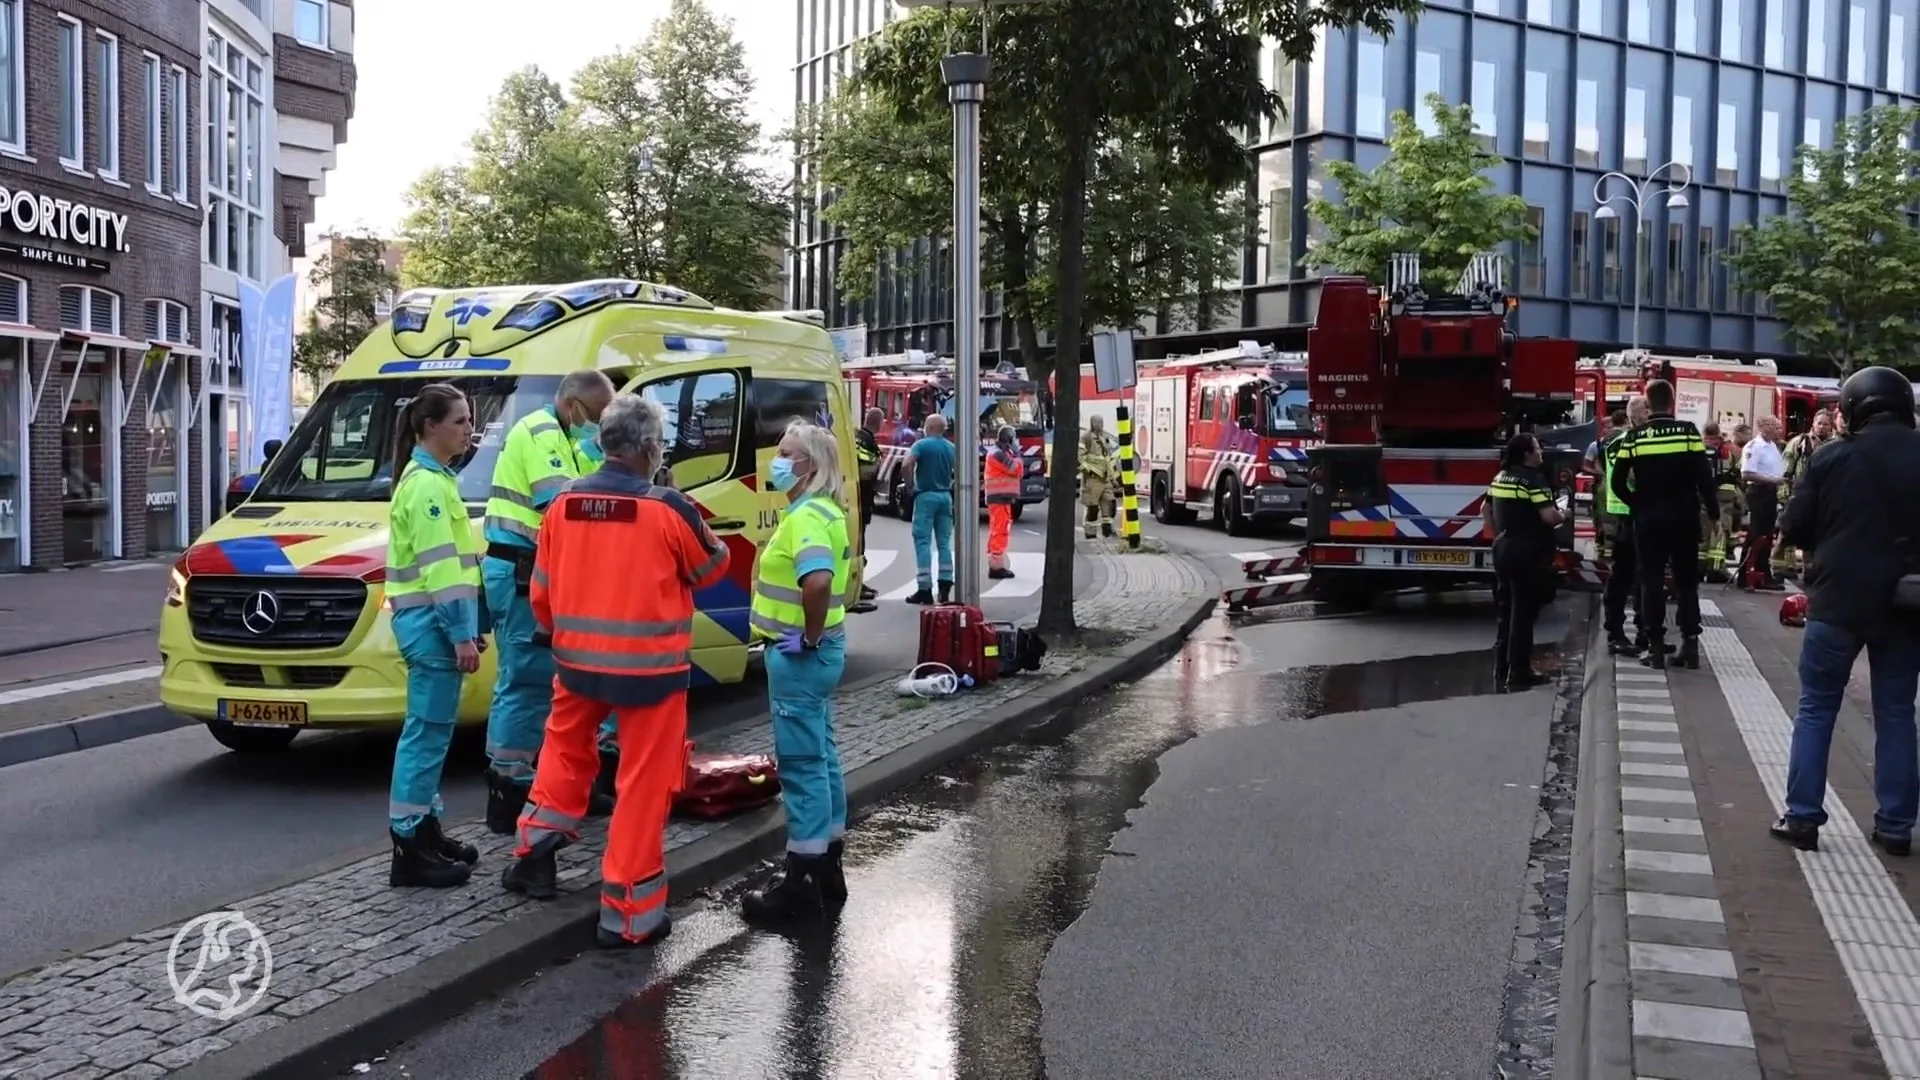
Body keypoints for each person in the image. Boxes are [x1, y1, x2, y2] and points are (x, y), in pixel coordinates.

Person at [501, 393, 730, 947]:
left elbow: (542, 593)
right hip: (650, 675)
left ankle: (534, 855)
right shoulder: (667, 507)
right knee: (642, 785)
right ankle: (629, 914)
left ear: (601, 443)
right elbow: (713, 566)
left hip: (576, 664)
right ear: (651, 448)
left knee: (562, 755)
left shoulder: (560, 505)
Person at [1769, 367, 1920, 854]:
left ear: (1855, 409)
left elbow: (1793, 524)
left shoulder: (1832, 458)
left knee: (1816, 707)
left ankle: (1803, 818)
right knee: (1897, 713)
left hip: (1837, 601)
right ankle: (1896, 826)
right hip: (1905, 604)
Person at [479, 370, 619, 834]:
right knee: (524, 681)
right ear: (575, 404)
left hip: (537, 570)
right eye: (596, 418)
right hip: (520, 569)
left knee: (549, 682)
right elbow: (565, 504)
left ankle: (538, 781)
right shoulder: (542, 432)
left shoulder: (565, 435)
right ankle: (509, 787)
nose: (596, 428)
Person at [741, 420, 854, 921]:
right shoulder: (826, 511)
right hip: (821, 651)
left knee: (802, 766)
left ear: (809, 466)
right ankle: (828, 864)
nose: (777, 461)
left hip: (800, 656)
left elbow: (819, 582)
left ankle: (801, 883)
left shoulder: (806, 517)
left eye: (786, 453)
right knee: (822, 755)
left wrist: (805, 637)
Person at [384, 383, 486, 889]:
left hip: (432, 627)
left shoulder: (435, 479)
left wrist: (469, 629)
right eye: (461, 421)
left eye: (469, 420)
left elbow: (454, 571)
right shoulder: (428, 487)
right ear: (430, 428)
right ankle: (409, 843)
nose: (470, 430)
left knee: (433, 733)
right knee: (426, 734)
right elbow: (440, 573)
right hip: (430, 628)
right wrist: (461, 635)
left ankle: (424, 827)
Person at [1611, 379, 1718, 670]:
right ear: (1672, 402)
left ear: (1648, 403)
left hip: (1649, 521)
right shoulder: (1688, 432)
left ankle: (1655, 649)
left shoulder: (1634, 438)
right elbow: (1705, 478)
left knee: (1651, 582)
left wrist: (1637, 503)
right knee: (1686, 583)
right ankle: (1690, 646)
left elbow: (1616, 482)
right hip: (1684, 517)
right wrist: (1714, 514)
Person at [1484, 433, 1563, 690]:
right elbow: (1549, 517)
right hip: (1527, 552)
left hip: (1503, 548)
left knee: (1506, 611)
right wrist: (1566, 513)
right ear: (1527, 454)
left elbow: (1484, 510)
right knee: (1524, 613)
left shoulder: (1500, 476)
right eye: (1538, 449)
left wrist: (1499, 533)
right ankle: (1520, 672)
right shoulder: (1533, 480)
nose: (1541, 453)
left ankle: (1501, 668)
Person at [1601, 400, 1647, 655]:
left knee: (1632, 576)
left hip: (1623, 513)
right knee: (1627, 577)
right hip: (1628, 514)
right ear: (1636, 415)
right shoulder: (1629, 441)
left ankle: (1635, 631)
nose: (1649, 416)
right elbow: (1632, 477)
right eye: (1646, 411)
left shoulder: (1617, 440)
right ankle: (1619, 633)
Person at [901, 413, 956, 605]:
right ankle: (945, 586)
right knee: (944, 543)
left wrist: (909, 486)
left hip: (925, 496)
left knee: (923, 541)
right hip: (945, 497)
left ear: (930, 428)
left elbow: (907, 464)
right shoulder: (951, 448)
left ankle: (924, 588)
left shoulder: (921, 445)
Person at [1777, 409, 1837, 579]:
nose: (1822, 427)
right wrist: (1784, 496)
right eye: (1819, 423)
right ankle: (1782, 567)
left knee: (1817, 535)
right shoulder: (1799, 443)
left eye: (1826, 424)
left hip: (1824, 498)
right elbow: (1785, 471)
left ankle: (1811, 569)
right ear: (1813, 424)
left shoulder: (1835, 446)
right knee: (1789, 530)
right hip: (1800, 495)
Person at [1739, 415, 1789, 592]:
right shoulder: (1755, 446)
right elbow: (1747, 473)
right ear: (1765, 427)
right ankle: (1751, 574)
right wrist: (1772, 480)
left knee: (1765, 535)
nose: (1779, 430)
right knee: (1758, 535)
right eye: (1776, 427)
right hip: (1759, 492)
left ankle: (1759, 573)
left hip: (1769, 493)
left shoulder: (1773, 446)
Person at [982, 424, 1023, 579]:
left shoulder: (999, 453)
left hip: (1000, 497)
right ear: (1009, 439)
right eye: (1014, 438)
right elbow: (1017, 469)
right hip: (999, 497)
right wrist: (1017, 452)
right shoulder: (999, 454)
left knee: (997, 529)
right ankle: (996, 567)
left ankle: (995, 563)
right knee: (1000, 530)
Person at [854, 407, 883, 604]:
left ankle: (859, 583)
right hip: (861, 498)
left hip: (860, 497)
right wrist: (878, 464)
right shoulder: (865, 440)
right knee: (859, 542)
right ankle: (857, 584)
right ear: (878, 423)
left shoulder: (860, 437)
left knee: (860, 541)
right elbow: (866, 470)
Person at [1699, 422, 1732, 582]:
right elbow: (1729, 471)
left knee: (1702, 532)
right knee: (1720, 532)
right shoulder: (1725, 450)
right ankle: (1717, 569)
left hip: (1702, 495)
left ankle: (1698, 567)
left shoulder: (1698, 446)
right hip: (1723, 496)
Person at [1079, 416, 1117, 540]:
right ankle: (1090, 534)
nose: (1100, 424)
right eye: (1097, 422)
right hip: (1093, 478)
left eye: (1101, 422)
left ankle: (1107, 531)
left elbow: (1108, 459)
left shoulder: (1104, 438)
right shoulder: (1086, 438)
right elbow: (1079, 456)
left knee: (1109, 504)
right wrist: (1087, 470)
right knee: (1093, 507)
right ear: (1092, 423)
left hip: (1106, 479)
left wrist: (1113, 477)